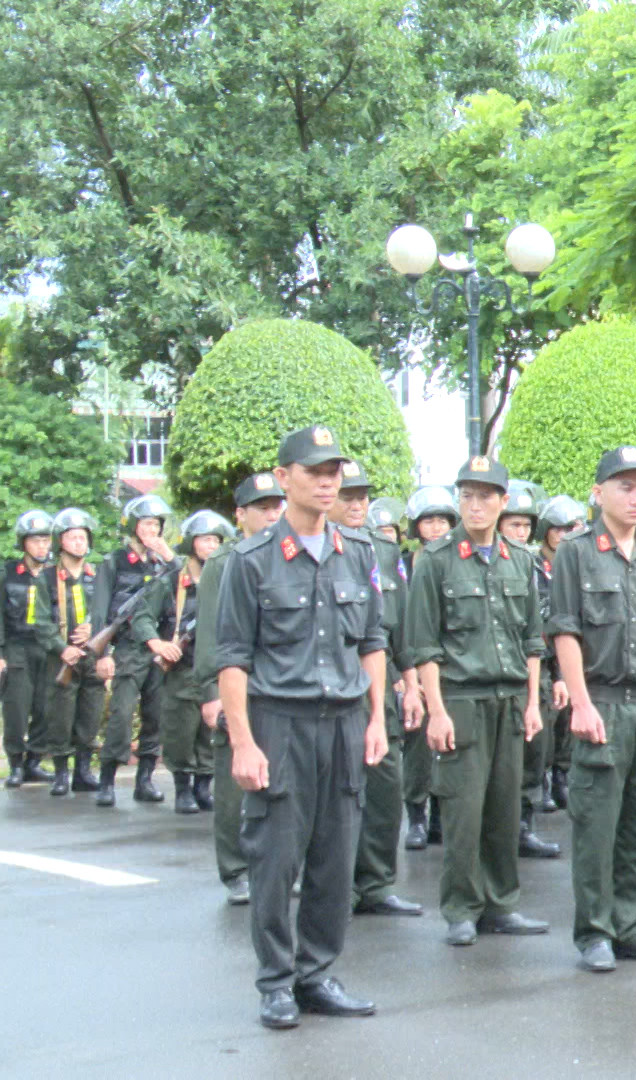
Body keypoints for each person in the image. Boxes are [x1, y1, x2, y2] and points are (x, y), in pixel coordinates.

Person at [212, 425, 388, 1029]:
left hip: (344, 722)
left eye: (334, 470)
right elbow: (232, 658)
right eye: (314, 471)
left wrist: (377, 719)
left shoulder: (358, 551)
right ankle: (276, 981)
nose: (328, 481)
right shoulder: (251, 560)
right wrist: (243, 742)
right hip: (280, 723)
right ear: (284, 478)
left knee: (335, 859)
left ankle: (316, 974)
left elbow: (372, 642)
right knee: (275, 857)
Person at [549, 446, 636, 971]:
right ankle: (595, 932)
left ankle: (634, 925)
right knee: (596, 828)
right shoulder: (576, 552)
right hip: (604, 705)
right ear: (599, 493)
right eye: (625, 487)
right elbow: (564, 631)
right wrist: (580, 703)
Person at [405, 455, 548, 946]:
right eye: (467, 495)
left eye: (485, 496)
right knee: (463, 812)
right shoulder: (436, 560)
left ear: (503, 501)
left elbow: (533, 639)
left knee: (505, 809)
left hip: (510, 698)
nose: (475, 505)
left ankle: (500, 903)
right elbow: (424, 644)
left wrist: (533, 702)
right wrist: (436, 710)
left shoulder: (520, 559)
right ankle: (462, 908)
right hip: (462, 699)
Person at [331, 460, 426, 917]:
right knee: (334, 790)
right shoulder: (317, 547)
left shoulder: (384, 552)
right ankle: (334, 886)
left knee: (386, 785)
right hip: (331, 677)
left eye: (362, 497)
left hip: (380, 681)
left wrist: (413, 685)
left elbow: (402, 626)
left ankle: (376, 883)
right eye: (347, 496)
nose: (356, 505)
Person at [195, 472, 287, 905]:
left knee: (280, 781)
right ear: (240, 515)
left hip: (280, 684)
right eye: (261, 509)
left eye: (276, 507)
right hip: (237, 683)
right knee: (235, 782)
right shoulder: (223, 562)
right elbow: (210, 631)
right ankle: (235, 868)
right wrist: (210, 692)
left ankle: (276, 865)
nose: (271, 516)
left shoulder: (286, 553)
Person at [130, 509, 233, 814]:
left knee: (210, 731)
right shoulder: (172, 581)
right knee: (180, 730)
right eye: (204, 540)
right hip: (182, 669)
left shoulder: (227, 579)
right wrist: (158, 644)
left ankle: (203, 786)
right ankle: (182, 788)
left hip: (216, 669)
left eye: (215, 540)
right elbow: (142, 617)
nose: (211, 546)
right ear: (190, 543)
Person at [93, 493, 177, 806]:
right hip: (127, 647)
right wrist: (102, 655)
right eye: (145, 524)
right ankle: (107, 781)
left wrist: (169, 557)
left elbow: (187, 583)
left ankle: (145, 780)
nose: (151, 530)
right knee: (121, 714)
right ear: (133, 526)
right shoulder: (114, 561)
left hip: (158, 648)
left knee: (155, 715)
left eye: (155, 524)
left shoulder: (164, 562)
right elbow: (100, 610)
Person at [495, 482, 561, 857]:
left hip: (538, 671)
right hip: (498, 673)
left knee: (535, 754)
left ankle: (524, 827)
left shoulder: (536, 567)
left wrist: (559, 677)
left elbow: (549, 626)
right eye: (513, 525)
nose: (520, 533)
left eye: (525, 526)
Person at [35, 508, 107, 798]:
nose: (79, 542)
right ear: (60, 542)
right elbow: (40, 622)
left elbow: (107, 615)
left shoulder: (98, 575)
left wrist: (93, 631)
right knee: (61, 716)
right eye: (72, 537)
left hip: (92, 655)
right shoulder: (46, 578)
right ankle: (61, 773)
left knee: (91, 714)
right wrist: (61, 648)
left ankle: (83, 772)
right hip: (61, 657)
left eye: (83, 537)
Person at [402, 484, 457, 849]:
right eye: (428, 521)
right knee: (418, 749)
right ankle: (417, 816)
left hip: (450, 666)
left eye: (442, 521)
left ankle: (440, 814)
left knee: (449, 747)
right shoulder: (403, 565)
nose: (436, 528)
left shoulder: (457, 562)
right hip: (413, 664)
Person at [532, 495, 589, 815]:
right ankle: (541, 779)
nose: (566, 535)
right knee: (546, 722)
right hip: (543, 653)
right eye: (559, 529)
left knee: (568, 721)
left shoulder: (581, 563)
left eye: (572, 528)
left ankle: (561, 776)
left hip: (574, 653)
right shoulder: (533, 566)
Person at [4, 510, 58, 787]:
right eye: (35, 541)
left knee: (45, 706)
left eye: (46, 540)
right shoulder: (8, 573)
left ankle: (34, 762)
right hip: (17, 647)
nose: (41, 547)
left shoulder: (55, 575)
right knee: (16, 707)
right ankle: (15, 764)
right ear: (23, 543)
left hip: (48, 647)